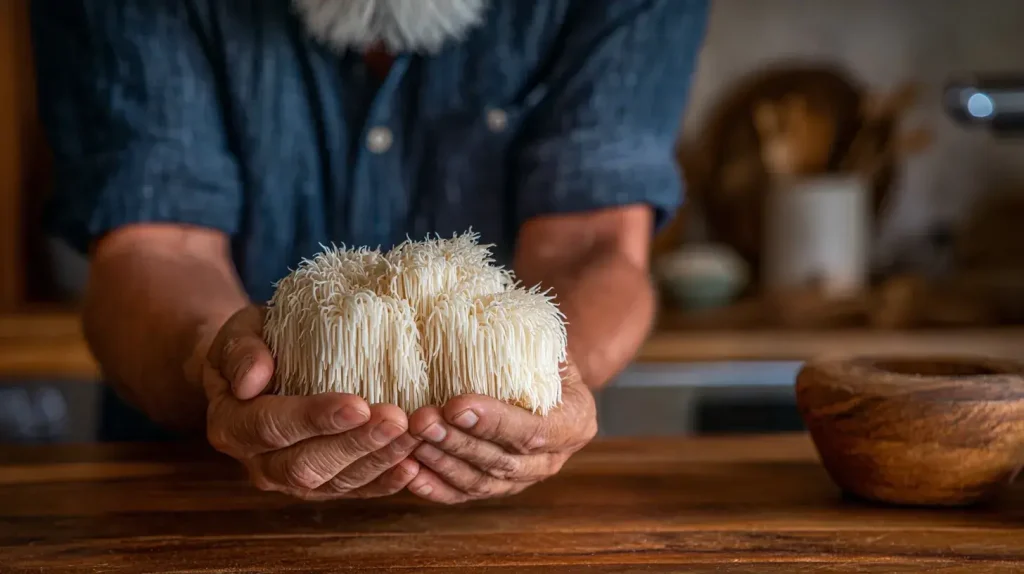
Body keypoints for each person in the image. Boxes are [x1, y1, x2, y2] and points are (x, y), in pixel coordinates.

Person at [30, 0, 708, 504]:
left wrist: (546, 396)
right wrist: (216, 362)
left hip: (515, 520)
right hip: (194, 502)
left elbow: (595, 243)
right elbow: (155, 247)